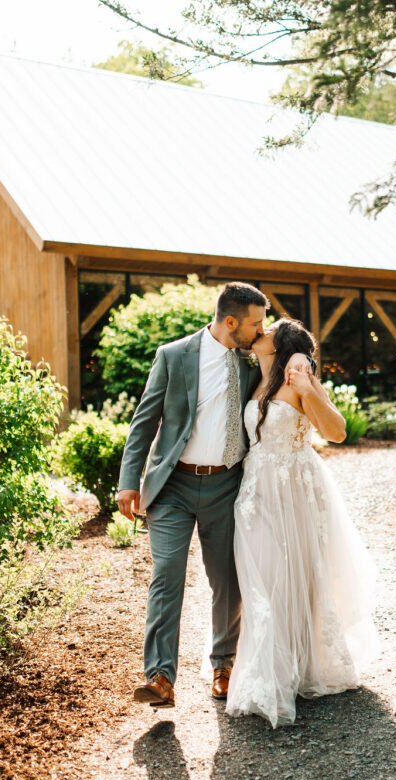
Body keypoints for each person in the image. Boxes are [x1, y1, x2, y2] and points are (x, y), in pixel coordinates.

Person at [116, 282, 267, 709]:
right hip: (173, 487)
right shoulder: (173, 355)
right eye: (255, 323)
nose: (261, 330)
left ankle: (223, 665)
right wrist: (129, 481)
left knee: (227, 579)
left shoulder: (253, 360)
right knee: (167, 575)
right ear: (231, 321)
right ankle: (160, 677)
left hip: (226, 486)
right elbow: (144, 421)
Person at [225, 318, 379, 727]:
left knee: (291, 576)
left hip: (293, 491)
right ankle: (266, 667)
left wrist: (309, 390)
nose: (259, 332)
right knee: (260, 576)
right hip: (257, 493)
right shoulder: (256, 375)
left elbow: (337, 431)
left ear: (282, 343)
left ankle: (288, 671)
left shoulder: (297, 373)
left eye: (268, 328)